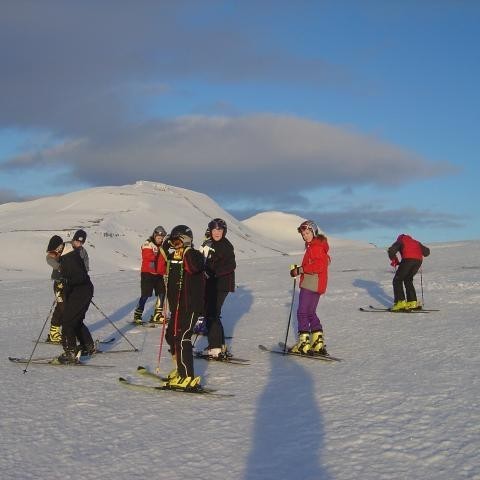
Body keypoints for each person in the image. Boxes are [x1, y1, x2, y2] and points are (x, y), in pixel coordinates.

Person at [164, 225, 205, 390]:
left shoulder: (194, 255)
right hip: (177, 307)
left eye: (177, 242)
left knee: (183, 339)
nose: (175, 245)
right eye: (173, 242)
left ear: (186, 241)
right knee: (171, 336)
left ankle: (187, 376)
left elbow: (194, 268)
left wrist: (186, 251)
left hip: (190, 306)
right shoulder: (175, 256)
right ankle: (180, 370)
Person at [289, 220, 330, 355]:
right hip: (317, 284)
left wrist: (300, 270)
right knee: (310, 313)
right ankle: (317, 343)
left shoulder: (315, 247)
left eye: (307, 233)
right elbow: (324, 262)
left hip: (311, 283)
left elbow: (319, 266)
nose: (305, 236)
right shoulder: (318, 246)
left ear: (314, 232)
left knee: (302, 312)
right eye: (303, 234)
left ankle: (304, 344)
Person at [53, 232, 95, 364]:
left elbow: (80, 274)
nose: (79, 244)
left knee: (68, 320)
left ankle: (70, 352)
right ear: (73, 240)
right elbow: (51, 260)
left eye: (81, 242)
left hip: (78, 290)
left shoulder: (72, 255)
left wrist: (66, 281)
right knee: (73, 318)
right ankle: (87, 345)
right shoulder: (67, 250)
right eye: (77, 241)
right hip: (78, 289)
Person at [200, 218, 236, 358]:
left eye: (220, 230)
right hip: (211, 283)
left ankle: (215, 347)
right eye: (214, 229)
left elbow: (231, 265)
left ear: (224, 231)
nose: (217, 232)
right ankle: (219, 345)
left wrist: (214, 271)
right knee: (211, 313)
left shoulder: (225, 245)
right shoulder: (209, 243)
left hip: (221, 284)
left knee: (211, 313)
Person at [133, 226, 168, 325]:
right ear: (154, 235)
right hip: (147, 274)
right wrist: (156, 253)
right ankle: (138, 314)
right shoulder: (148, 244)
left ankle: (157, 315)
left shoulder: (162, 247)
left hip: (158, 275)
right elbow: (147, 256)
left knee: (162, 293)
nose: (160, 239)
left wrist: (165, 271)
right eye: (158, 238)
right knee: (145, 294)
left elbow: (164, 261)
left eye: (162, 238)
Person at [387, 233, 430, 311]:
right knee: (408, 279)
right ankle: (412, 302)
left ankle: (400, 303)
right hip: (418, 261)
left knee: (397, 280)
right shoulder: (416, 242)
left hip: (407, 260)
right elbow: (427, 252)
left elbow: (391, 250)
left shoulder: (400, 240)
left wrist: (394, 259)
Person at [45, 235, 65, 344]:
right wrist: (60, 267)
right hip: (58, 283)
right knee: (62, 307)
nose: (59, 249)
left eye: (59, 247)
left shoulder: (66, 249)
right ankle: (54, 333)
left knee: (65, 307)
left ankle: (57, 332)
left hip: (68, 283)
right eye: (57, 248)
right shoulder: (54, 253)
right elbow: (49, 259)